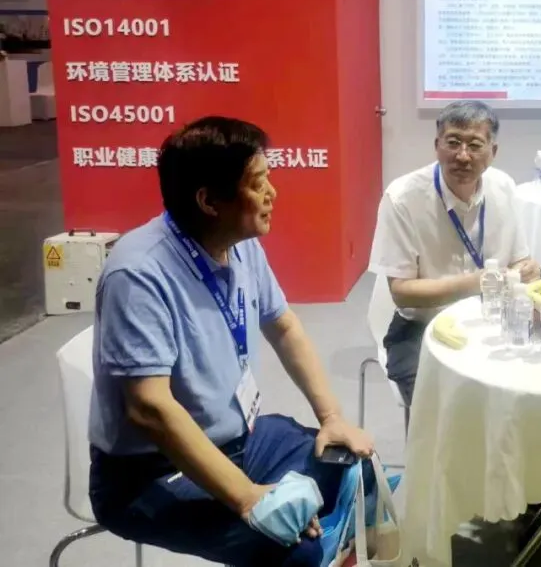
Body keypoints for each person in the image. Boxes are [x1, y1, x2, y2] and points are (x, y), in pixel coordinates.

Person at [89, 116, 379, 567]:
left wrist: (332, 418)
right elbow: (150, 408)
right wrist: (247, 499)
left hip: (241, 438)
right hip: (152, 472)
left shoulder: (238, 244)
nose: (272, 193)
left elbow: (283, 326)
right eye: (258, 183)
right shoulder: (138, 273)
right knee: (295, 552)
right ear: (209, 201)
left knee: (356, 467)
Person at [369, 100, 541, 405]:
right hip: (421, 327)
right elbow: (402, 292)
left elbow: (520, 261)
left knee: (533, 386)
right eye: (453, 142)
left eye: (474, 145)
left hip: (494, 321)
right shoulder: (403, 198)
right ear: (437, 146)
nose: (463, 155)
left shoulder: (503, 188)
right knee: (443, 406)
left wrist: (528, 270)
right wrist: (478, 282)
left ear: (492, 152)